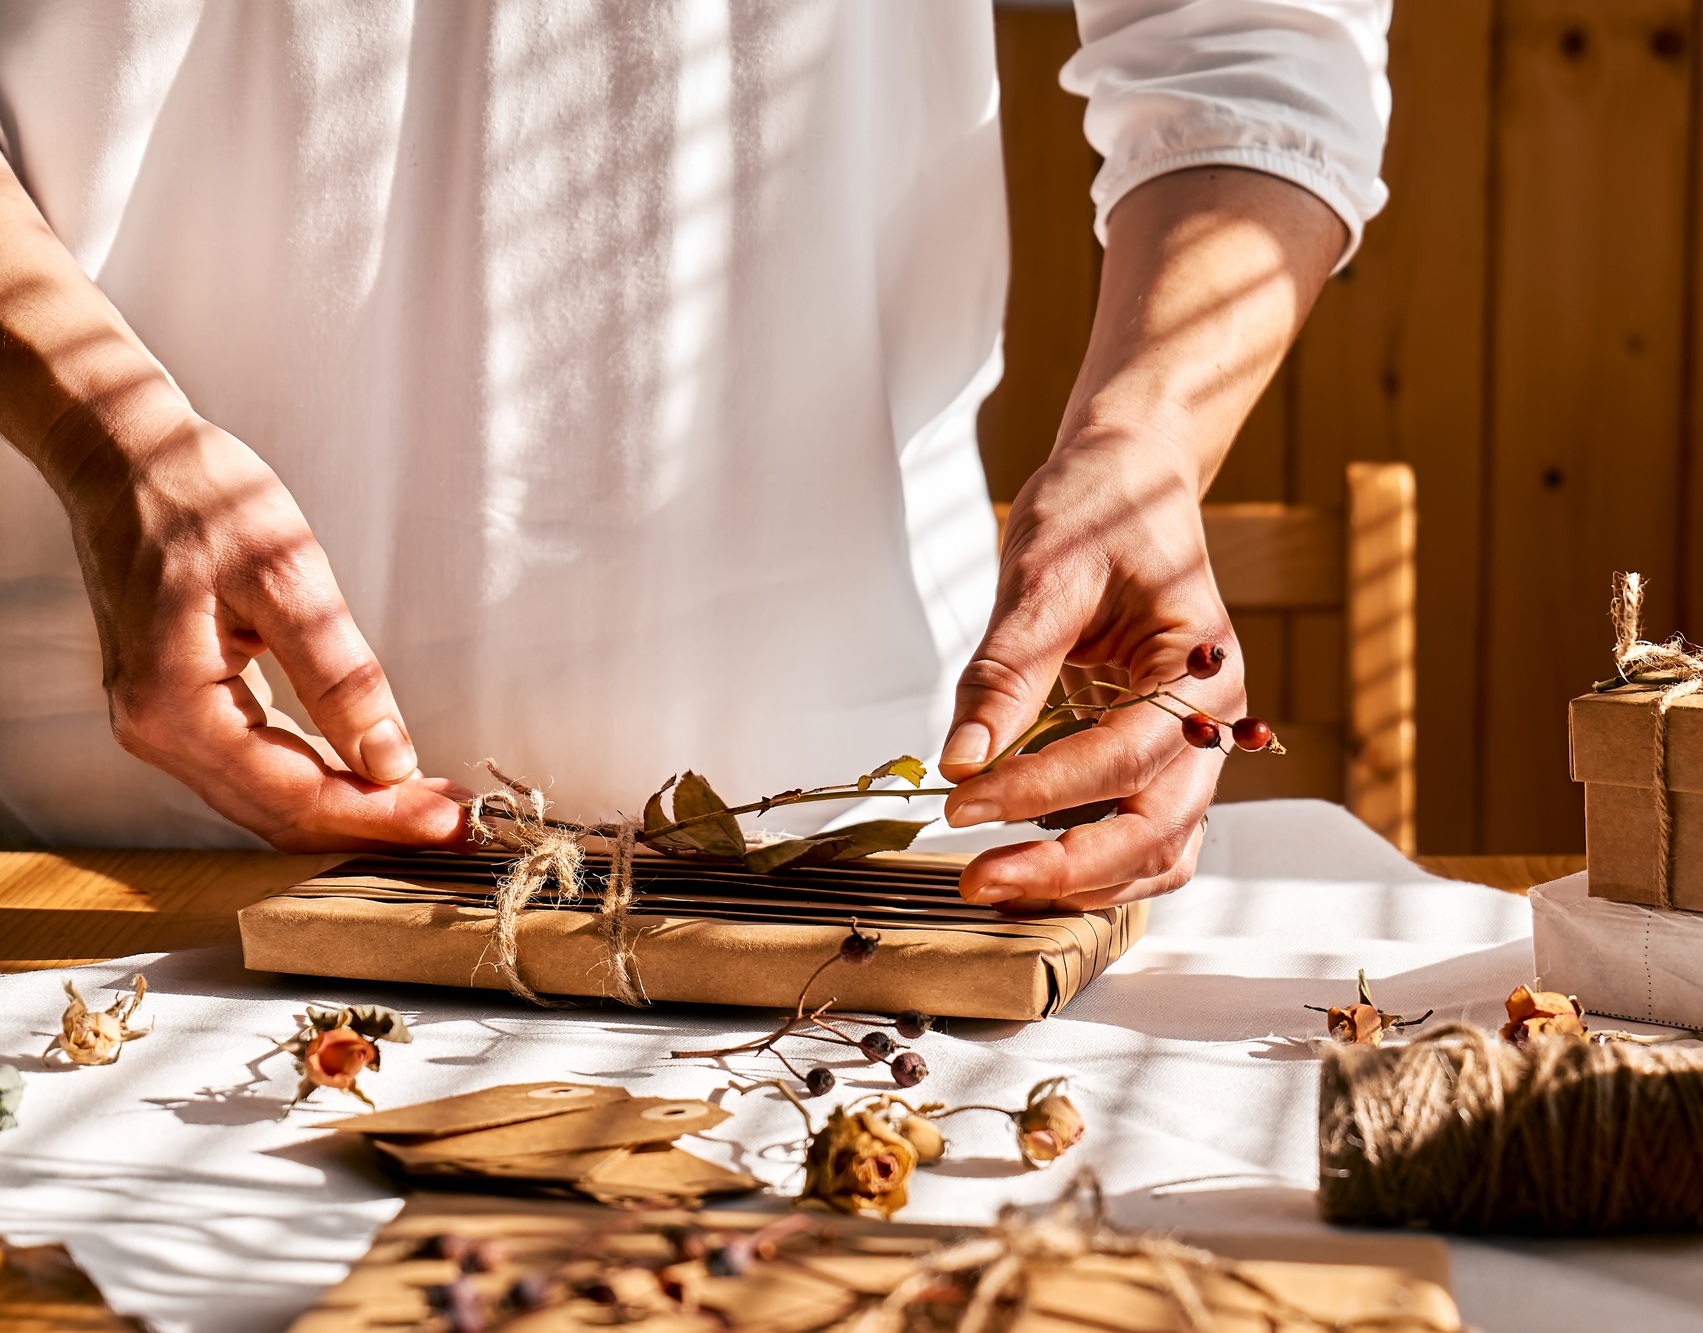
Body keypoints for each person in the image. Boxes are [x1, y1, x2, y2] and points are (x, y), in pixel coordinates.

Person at [0, 1, 1387, 910]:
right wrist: (98, 416)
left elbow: (1250, 43)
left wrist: (1146, 432)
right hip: (109, 862)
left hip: (840, 885)